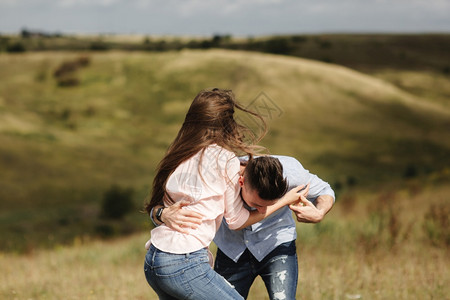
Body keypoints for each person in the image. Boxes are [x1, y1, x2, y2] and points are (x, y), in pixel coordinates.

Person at [143, 88, 308, 300]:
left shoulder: (178, 154)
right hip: (183, 262)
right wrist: (283, 200)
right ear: (227, 125)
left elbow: (156, 205)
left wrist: (161, 213)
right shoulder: (226, 160)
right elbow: (236, 220)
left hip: (154, 260)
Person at [152, 154, 334, 300]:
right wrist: (163, 214)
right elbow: (156, 208)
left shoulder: (291, 172)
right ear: (241, 182)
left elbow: (325, 191)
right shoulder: (216, 176)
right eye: (255, 204)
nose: (262, 210)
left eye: (270, 204)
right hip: (232, 253)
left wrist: (319, 213)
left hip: (277, 246)